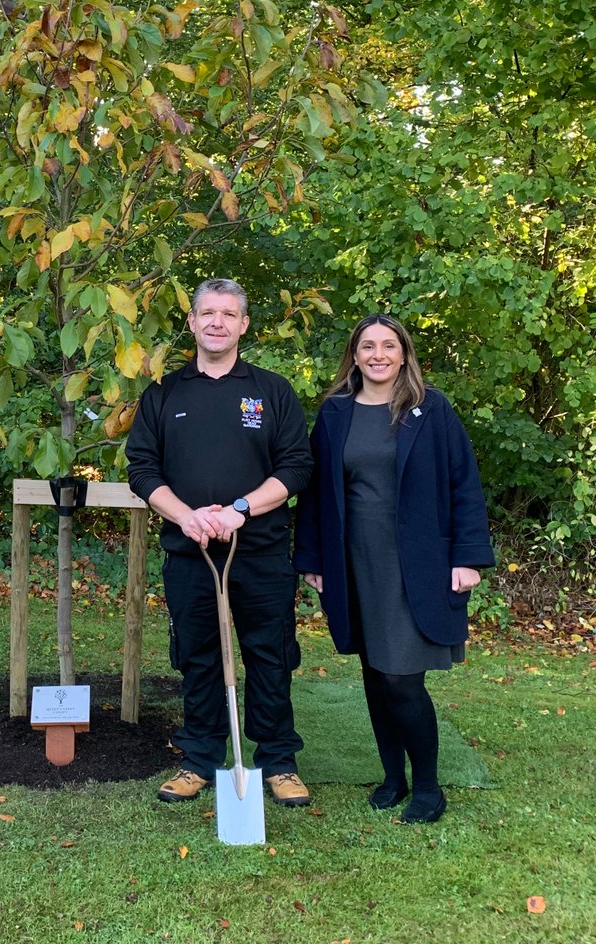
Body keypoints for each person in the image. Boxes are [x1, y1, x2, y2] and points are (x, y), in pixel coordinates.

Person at [293, 313, 494, 823]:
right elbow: (316, 494)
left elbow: (463, 484)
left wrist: (468, 557)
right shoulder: (336, 412)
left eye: (388, 345)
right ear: (354, 356)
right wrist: (313, 559)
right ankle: (392, 777)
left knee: (403, 678)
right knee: (375, 675)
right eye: (368, 346)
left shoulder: (432, 410)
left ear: (404, 353)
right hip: (354, 563)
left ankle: (428, 787)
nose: (378, 354)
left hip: (416, 565)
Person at [126, 278, 314, 806]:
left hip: (260, 553)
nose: (217, 322)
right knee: (199, 656)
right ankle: (199, 759)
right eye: (207, 312)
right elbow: (142, 468)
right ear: (191, 322)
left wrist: (239, 510)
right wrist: (186, 517)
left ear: (244, 325)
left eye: (229, 314)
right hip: (192, 554)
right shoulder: (164, 393)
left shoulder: (271, 391)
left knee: (271, 656)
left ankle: (278, 760)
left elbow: (297, 467)